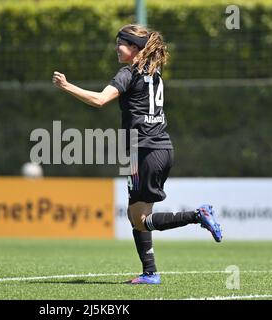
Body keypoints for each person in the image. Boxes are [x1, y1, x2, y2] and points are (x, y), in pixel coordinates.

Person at [52, 24, 222, 285]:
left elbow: (99, 100)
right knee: (138, 216)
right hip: (159, 149)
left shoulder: (128, 73)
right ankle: (150, 273)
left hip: (143, 151)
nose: (115, 48)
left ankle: (197, 215)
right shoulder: (155, 73)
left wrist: (66, 86)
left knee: (139, 219)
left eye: (120, 43)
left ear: (133, 48)